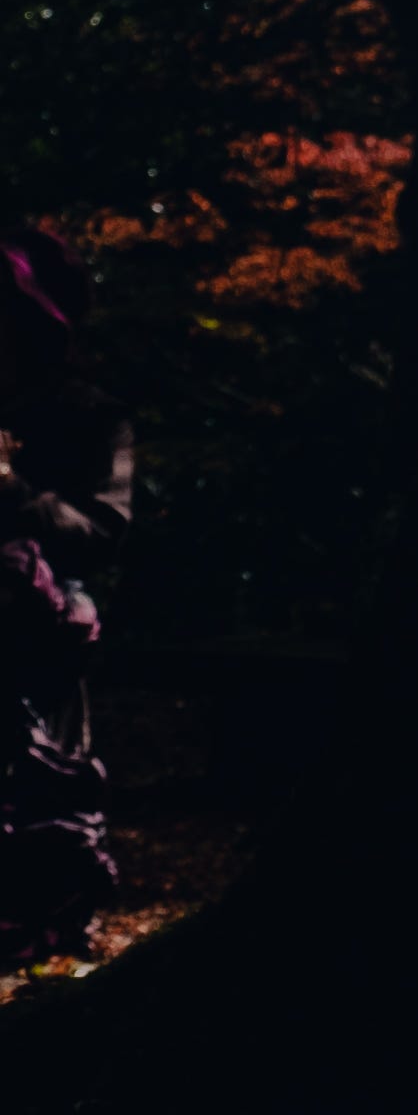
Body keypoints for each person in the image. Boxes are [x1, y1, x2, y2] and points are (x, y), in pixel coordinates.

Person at [0, 226, 129, 968]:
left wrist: (12, 489)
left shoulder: (88, 415)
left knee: (40, 823)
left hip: (38, 655)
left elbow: (103, 532)